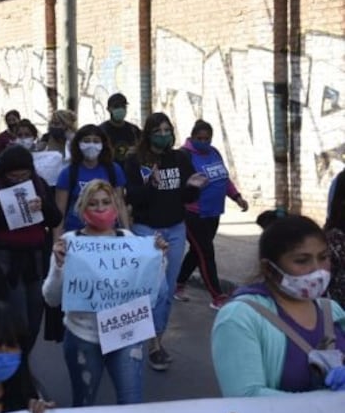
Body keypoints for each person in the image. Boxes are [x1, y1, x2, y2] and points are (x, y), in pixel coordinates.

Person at [44, 180, 167, 405]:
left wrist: (158, 259)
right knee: (84, 404)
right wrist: (60, 267)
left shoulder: (130, 241)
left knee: (132, 405)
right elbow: (51, 299)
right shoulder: (69, 243)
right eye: (93, 204)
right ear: (82, 209)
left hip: (126, 333)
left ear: (115, 206)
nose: (100, 208)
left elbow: (151, 293)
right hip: (83, 336)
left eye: (106, 202)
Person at [212, 213, 345, 396]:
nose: (317, 269)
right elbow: (246, 396)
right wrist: (328, 400)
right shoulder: (239, 318)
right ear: (269, 268)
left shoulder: (331, 310)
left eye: (323, 257)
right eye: (301, 261)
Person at [123, 112, 206, 372]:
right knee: (150, 290)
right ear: (148, 134)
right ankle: (132, 338)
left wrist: (194, 186)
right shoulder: (134, 160)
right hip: (147, 230)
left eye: (167, 129)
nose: (163, 134)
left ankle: (156, 344)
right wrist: (151, 185)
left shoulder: (180, 158)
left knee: (167, 290)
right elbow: (133, 198)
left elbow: (185, 196)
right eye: (157, 130)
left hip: (175, 229)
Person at [0, 145, 61, 350]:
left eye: (24, 175)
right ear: (4, 173)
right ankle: (15, 363)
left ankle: (23, 361)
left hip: (35, 259)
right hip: (5, 259)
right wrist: (7, 214)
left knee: (36, 313)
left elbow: (55, 219)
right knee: (18, 317)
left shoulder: (40, 185)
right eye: (14, 176)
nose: (20, 180)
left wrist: (43, 207)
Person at [176, 119, 249, 309]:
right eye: (199, 138)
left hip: (214, 213)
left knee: (197, 252)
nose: (203, 142)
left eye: (207, 138)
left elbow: (224, 179)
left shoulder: (214, 152)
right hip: (193, 214)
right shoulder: (185, 156)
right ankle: (218, 296)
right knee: (206, 253)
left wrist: (237, 197)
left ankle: (178, 284)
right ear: (192, 137)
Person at [53, 124, 130, 238]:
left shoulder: (114, 170)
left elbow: (120, 204)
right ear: (78, 144)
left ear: (102, 144)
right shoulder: (68, 173)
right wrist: (57, 241)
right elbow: (59, 213)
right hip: (76, 235)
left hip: (109, 234)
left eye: (96, 141)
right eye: (87, 141)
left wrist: (127, 234)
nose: (91, 145)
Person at [99, 93, 142, 165]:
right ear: (108, 109)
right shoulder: (101, 131)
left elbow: (144, 147)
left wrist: (137, 150)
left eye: (123, 106)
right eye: (116, 106)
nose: (120, 109)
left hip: (130, 171)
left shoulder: (133, 130)